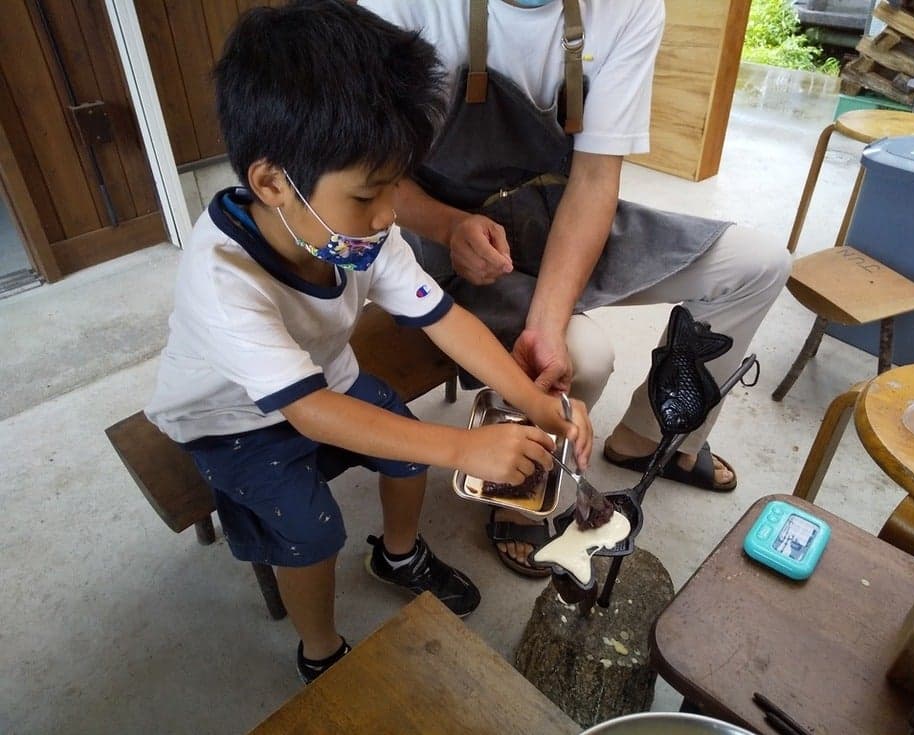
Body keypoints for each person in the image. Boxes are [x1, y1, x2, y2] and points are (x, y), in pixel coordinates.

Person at [144, 0, 592, 684]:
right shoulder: (222, 279)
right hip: (230, 420)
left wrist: (535, 402)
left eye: (394, 188)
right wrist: (461, 448)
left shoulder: (354, 233)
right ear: (272, 182)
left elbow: (444, 318)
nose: (388, 216)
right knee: (312, 529)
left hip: (325, 377)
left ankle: (398, 554)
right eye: (367, 195)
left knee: (405, 452)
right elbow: (308, 412)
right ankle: (320, 651)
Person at [359, 0, 792, 575]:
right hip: (455, 232)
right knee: (584, 361)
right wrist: (447, 226)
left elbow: (593, 179)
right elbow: (365, 173)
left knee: (759, 265)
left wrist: (546, 320)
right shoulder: (401, 6)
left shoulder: (627, 8)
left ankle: (647, 438)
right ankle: (519, 487)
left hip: (559, 211)